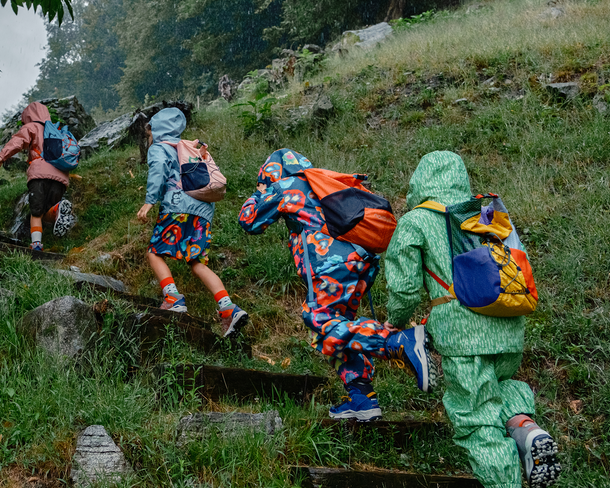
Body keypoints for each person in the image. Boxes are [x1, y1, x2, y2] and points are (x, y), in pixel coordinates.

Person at [383, 151, 561, 488]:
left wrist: (395, 321)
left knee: (477, 420)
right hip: (508, 326)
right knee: (499, 386)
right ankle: (527, 429)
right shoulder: (484, 212)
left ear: (419, 181)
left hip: (463, 335)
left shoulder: (416, 220)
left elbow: (405, 288)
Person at [237, 148, 435, 421]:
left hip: (331, 266)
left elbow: (249, 221)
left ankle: (396, 341)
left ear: (272, 172)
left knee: (319, 320)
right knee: (337, 329)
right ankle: (361, 397)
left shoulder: (287, 185)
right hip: (361, 263)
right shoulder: (321, 185)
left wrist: (261, 190)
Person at [136, 107, 248, 337]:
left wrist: (149, 201)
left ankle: (172, 297)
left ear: (155, 131)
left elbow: (158, 170)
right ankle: (228, 308)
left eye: (149, 135)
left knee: (154, 252)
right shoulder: (188, 148)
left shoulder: (160, 148)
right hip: (203, 213)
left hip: (177, 209)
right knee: (197, 262)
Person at [0, 102, 75, 251]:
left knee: (36, 213)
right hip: (61, 178)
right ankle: (57, 209)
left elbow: (18, 141)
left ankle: (36, 245)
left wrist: (1, 157)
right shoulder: (56, 130)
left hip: (39, 175)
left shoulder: (32, 127)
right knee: (47, 211)